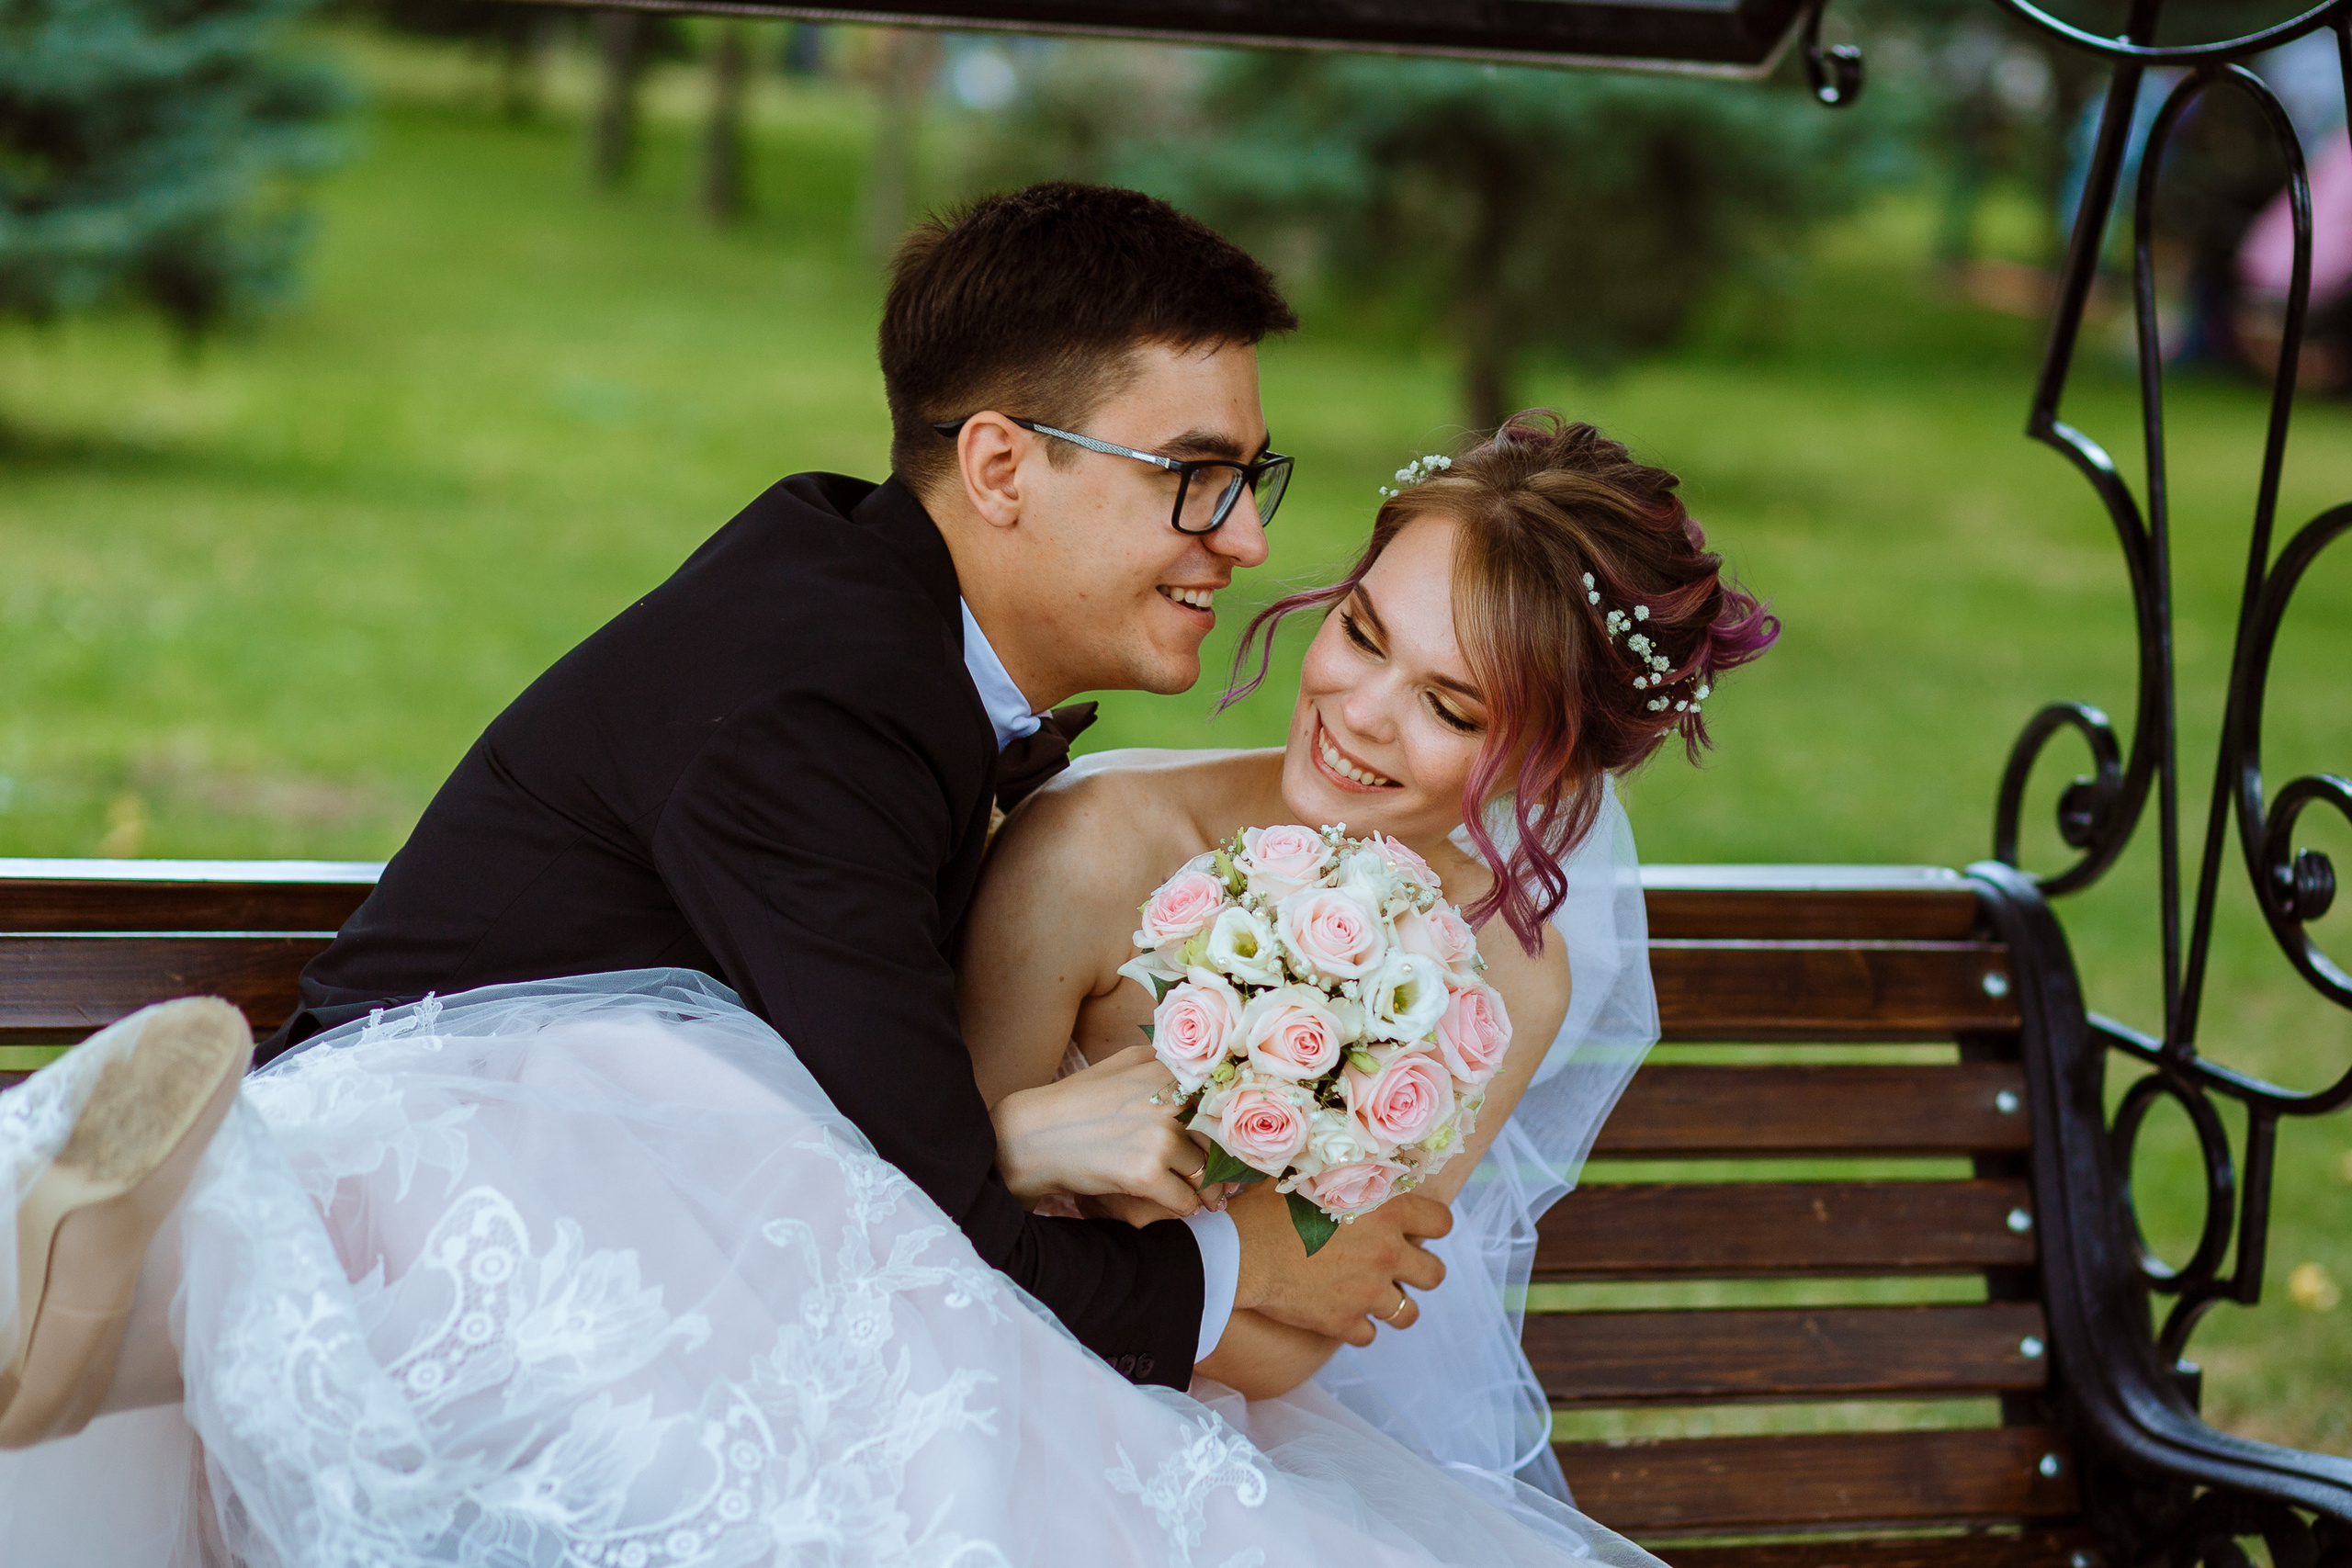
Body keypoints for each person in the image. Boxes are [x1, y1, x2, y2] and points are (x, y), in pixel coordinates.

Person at [248, 181, 1456, 1393]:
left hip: (653, 1239)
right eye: (1194, 475)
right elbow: (943, 1229)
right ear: (999, 466)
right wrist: (1233, 1269)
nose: (1245, 538)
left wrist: (1013, 1143)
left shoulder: (866, 610)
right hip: (425, 1249)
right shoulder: (817, 704)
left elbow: (905, 1149)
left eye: (1254, 476)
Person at [960, 412, 1775, 1498]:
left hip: (1214, 1442)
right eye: (1360, 631)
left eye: (1449, 706)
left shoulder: (1505, 981)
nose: (1359, 711)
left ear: (1557, 771)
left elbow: (1302, 1341)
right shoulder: (1095, 849)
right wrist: (1220, 1243)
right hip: (981, 1381)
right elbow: (931, 1199)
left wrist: (1152, 1218)